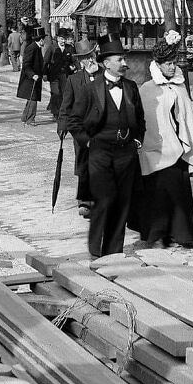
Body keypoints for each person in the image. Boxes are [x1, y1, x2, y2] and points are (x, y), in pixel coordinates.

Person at [68, 33, 146, 258]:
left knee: (122, 202)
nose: (125, 64)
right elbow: (74, 121)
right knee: (104, 200)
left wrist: (137, 139)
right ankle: (96, 251)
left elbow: (140, 119)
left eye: (124, 59)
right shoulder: (91, 89)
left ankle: (114, 253)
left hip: (126, 154)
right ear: (106, 63)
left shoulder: (131, 87)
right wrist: (89, 142)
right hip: (100, 153)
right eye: (119, 60)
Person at [138, 32, 193, 249]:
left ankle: (182, 234)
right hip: (156, 149)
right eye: (167, 63)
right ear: (157, 64)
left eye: (174, 63)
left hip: (177, 149)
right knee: (157, 192)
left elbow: (185, 120)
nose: (172, 67)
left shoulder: (180, 86)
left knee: (178, 191)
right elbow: (146, 121)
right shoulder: (147, 90)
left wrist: (186, 146)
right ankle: (156, 234)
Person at [57, 38, 102, 218]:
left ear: (95, 54)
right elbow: (66, 106)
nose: (89, 61)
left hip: (102, 129)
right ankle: (85, 201)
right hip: (82, 131)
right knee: (83, 164)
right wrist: (62, 125)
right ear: (80, 61)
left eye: (91, 56)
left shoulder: (105, 76)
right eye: (84, 58)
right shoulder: (74, 80)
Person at [17, 26, 45, 125]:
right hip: (30, 79)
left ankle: (25, 117)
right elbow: (26, 64)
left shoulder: (36, 47)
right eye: (44, 39)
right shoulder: (32, 48)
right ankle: (30, 119)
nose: (44, 41)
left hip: (35, 78)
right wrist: (32, 75)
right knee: (33, 99)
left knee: (31, 98)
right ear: (41, 40)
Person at [46, 29, 75, 120]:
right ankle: (55, 112)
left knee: (64, 93)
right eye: (62, 39)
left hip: (65, 74)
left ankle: (63, 113)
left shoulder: (69, 48)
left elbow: (74, 60)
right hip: (53, 74)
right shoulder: (52, 47)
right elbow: (46, 61)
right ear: (58, 38)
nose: (63, 41)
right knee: (55, 93)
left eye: (65, 39)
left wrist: (73, 67)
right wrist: (44, 74)